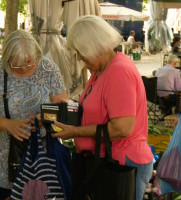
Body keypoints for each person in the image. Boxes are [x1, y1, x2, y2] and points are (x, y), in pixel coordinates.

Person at [52, 15, 153, 200]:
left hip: (120, 162)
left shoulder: (118, 71)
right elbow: (96, 105)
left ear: (94, 46)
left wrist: (75, 131)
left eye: (81, 52)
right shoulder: (102, 69)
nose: (80, 58)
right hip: (103, 161)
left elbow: (121, 128)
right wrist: (68, 106)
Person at [0, 30, 67, 200]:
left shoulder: (49, 69)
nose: (24, 69)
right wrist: (8, 124)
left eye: (30, 63)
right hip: (4, 161)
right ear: (6, 58)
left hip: (43, 160)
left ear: (37, 55)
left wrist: (45, 118)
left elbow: (63, 110)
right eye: (16, 65)